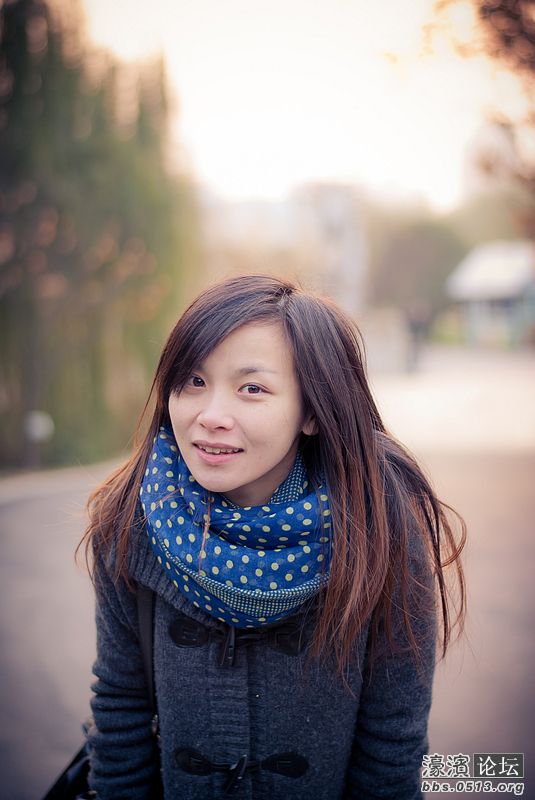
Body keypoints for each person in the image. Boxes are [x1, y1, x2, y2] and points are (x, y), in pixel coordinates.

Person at [79, 274, 465, 800]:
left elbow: (392, 746)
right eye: (193, 381)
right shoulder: (132, 518)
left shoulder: (380, 524)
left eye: (252, 389)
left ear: (312, 411)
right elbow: (119, 713)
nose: (211, 416)